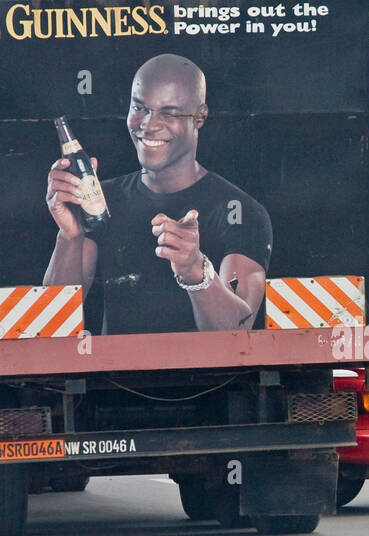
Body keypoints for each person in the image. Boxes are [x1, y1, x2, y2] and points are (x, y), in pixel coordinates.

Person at [44, 53, 271, 334]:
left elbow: (239, 333)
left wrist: (196, 272)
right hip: (115, 377)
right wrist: (69, 236)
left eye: (169, 112)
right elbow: (52, 323)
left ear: (200, 116)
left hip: (207, 379)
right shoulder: (102, 201)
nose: (148, 125)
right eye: (139, 108)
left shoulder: (241, 212)